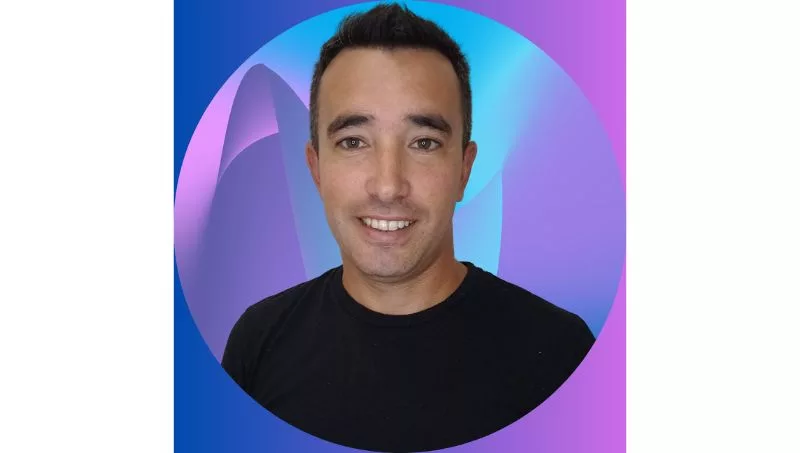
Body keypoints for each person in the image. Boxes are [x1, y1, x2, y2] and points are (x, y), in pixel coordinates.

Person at [222, 3, 594, 451]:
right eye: (353, 142)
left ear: (464, 169)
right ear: (316, 168)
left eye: (424, 143)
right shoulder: (258, 344)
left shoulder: (562, 355)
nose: (388, 185)